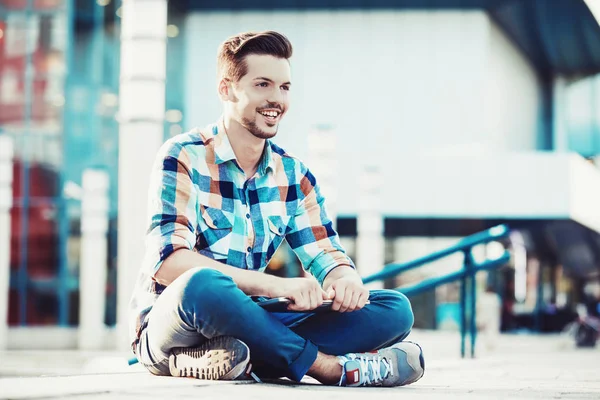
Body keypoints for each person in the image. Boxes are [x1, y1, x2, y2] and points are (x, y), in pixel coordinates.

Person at [128, 30, 425, 387]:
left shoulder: (293, 175)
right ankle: (328, 368)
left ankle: (245, 358)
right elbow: (167, 263)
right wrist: (274, 286)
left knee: (393, 309)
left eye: (284, 87)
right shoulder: (184, 156)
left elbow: (327, 253)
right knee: (203, 284)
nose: (276, 99)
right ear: (227, 89)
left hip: (254, 319)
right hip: (176, 322)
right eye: (263, 85)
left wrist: (345, 282)